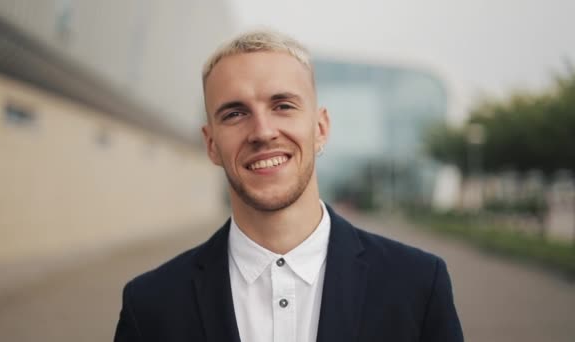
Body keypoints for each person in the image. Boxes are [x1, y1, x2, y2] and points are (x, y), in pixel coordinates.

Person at [114, 30, 463, 342]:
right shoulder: (150, 306)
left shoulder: (417, 284)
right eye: (235, 113)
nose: (263, 132)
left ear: (320, 128)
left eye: (282, 105)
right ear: (211, 145)